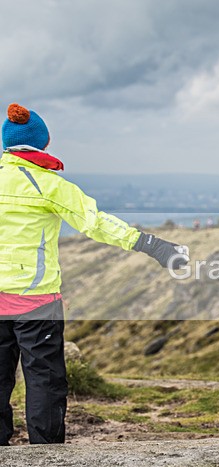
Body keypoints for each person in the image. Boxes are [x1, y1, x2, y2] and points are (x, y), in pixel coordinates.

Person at [0, 103, 189, 445]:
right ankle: (46, 457)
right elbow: (97, 223)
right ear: (43, 142)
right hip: (35, 301)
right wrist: (153, 245)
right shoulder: (49, 185)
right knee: (44, 379)